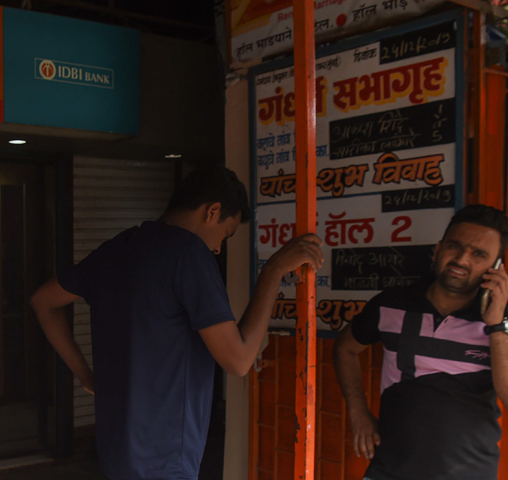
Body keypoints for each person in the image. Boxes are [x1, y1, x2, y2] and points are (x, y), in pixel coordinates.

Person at [30, 166, 323, 479]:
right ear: (212, 211)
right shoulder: (189, 254)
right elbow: (238, 360)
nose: (218, 248)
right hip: (165, 459)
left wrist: (84, 374)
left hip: (117, 454)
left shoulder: (117, 248)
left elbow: (43, 301)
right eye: (226, 234)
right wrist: (273, 271)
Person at [334, 204, 508, 480]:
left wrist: (497, 324)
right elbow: (345, 348)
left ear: (496, 268)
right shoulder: (391, 304)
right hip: (390, 470)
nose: (462, 259)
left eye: (478, 254)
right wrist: (358, 412)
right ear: (437, 249)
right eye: (454, 246)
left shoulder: (500, 321)